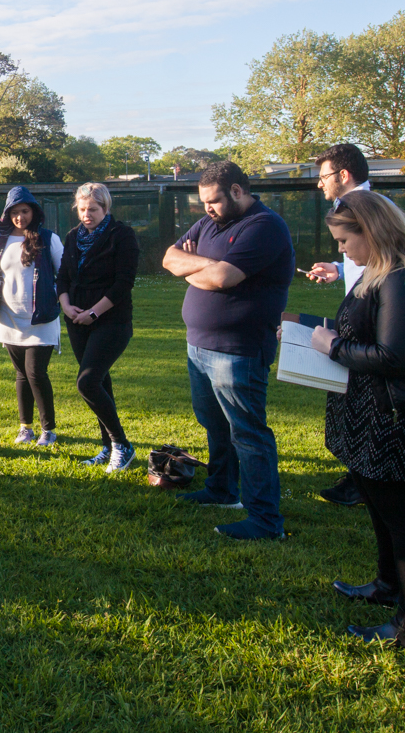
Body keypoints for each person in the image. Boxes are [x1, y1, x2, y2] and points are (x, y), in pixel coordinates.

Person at [308, 191, 405, 650]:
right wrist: (317, 334)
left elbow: (393, 356)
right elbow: (367, 333)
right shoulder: (380, 273)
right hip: (372, 414)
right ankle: (387, 586)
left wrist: (329, 346)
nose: (341, 249)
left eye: (344, 239)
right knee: (381, 512)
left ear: (370, 232)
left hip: (399, 420)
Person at [161, 161, 294, 540]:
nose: (207, 208)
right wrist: (205, 266)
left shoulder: (265, 227)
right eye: (203, 202)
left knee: (248, 433)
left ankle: (266, 520)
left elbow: (223, 277)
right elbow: (170, 258)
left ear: (237, 191)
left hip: (239, 350)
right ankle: (222, 490)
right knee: (214, 423)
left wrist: (202, 268)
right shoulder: (209, 223)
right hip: (199, 346)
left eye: (214, 200)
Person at [301, 142, 373, 508]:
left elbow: (391, 261)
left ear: (343, 175)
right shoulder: (354, 207)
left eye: (323, 176)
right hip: (361, 314)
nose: (319, 184)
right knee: (350, 399)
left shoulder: (366, 209)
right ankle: (359, 476)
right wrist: (340, 269)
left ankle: (364, 479)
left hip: (373, 318)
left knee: (362, 400)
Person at [55, 182, 141, 470]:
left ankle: (122, 445)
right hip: (77, 320)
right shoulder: (72, 236)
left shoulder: (122, 235)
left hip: (111, 321)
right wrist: (66, 307)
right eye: (82, 209)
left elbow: (123, 284)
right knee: (101, 382)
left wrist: (93, 313)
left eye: (93, 209)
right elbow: (63, 278)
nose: (86, 215)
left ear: (106, 208)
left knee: (87, 382)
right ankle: (107, 448)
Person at [0, 186, 65, 446]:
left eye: (25, 211)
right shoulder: (0, 240)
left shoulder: (48, 238)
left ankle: (48, 430)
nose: (20, 217)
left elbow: (64, 274)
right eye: (15, 212)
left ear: (34, 211)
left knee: (36, 373)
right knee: (21, 375)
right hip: (10, 319)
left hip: (41, 319)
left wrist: (51, 296)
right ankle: (25, 428)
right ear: (7, 214)